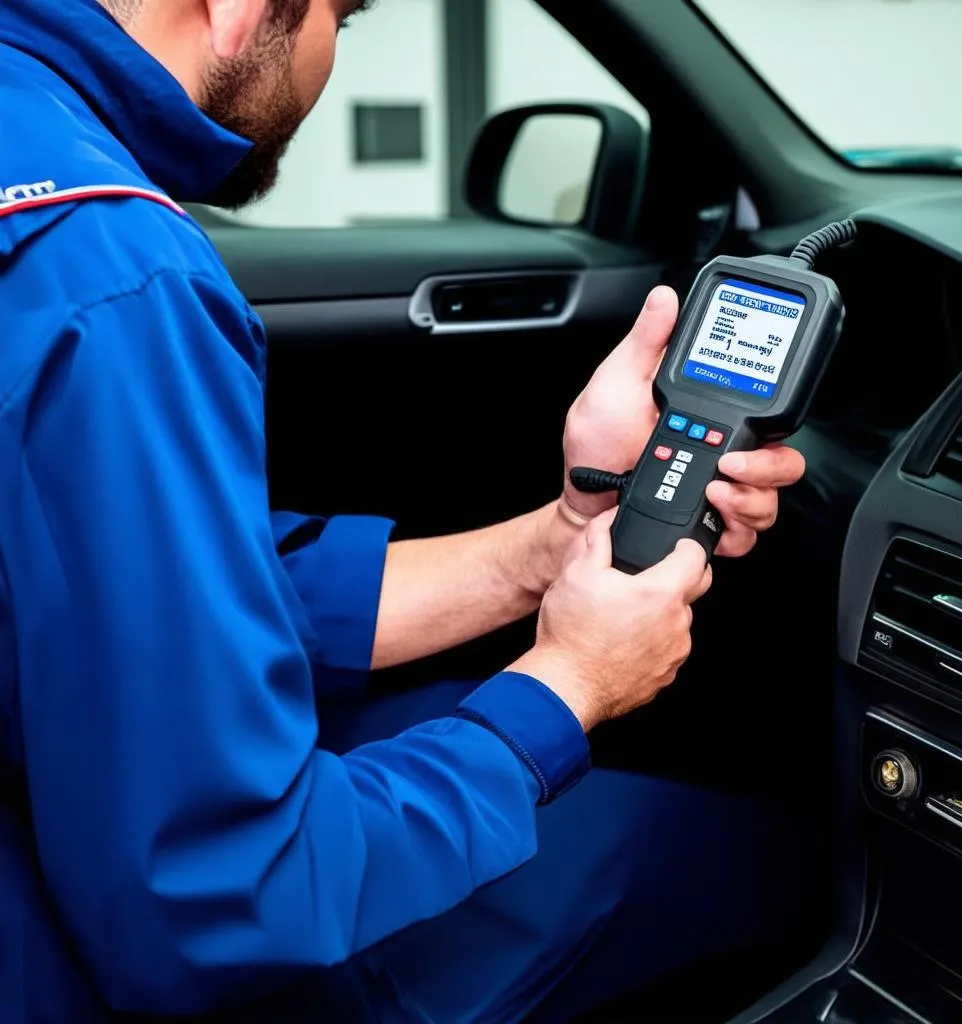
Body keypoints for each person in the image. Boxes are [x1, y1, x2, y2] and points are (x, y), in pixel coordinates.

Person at [0, 0, 807, 1021]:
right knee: (741, 857)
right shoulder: (110, 268)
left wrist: (562, 535)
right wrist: (567, 684)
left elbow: (151, 591)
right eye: (341, 14)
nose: (332, 53)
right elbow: (226, 900)